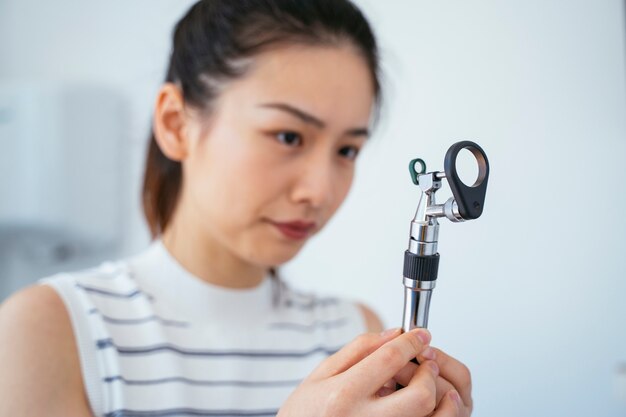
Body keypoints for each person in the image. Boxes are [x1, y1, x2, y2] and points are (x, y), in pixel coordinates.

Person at [0, 0, 473, 416]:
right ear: (176, 124)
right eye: (288, 136)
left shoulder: (356, 334)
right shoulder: (48, 331)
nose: (319, 190)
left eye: (346, 151)